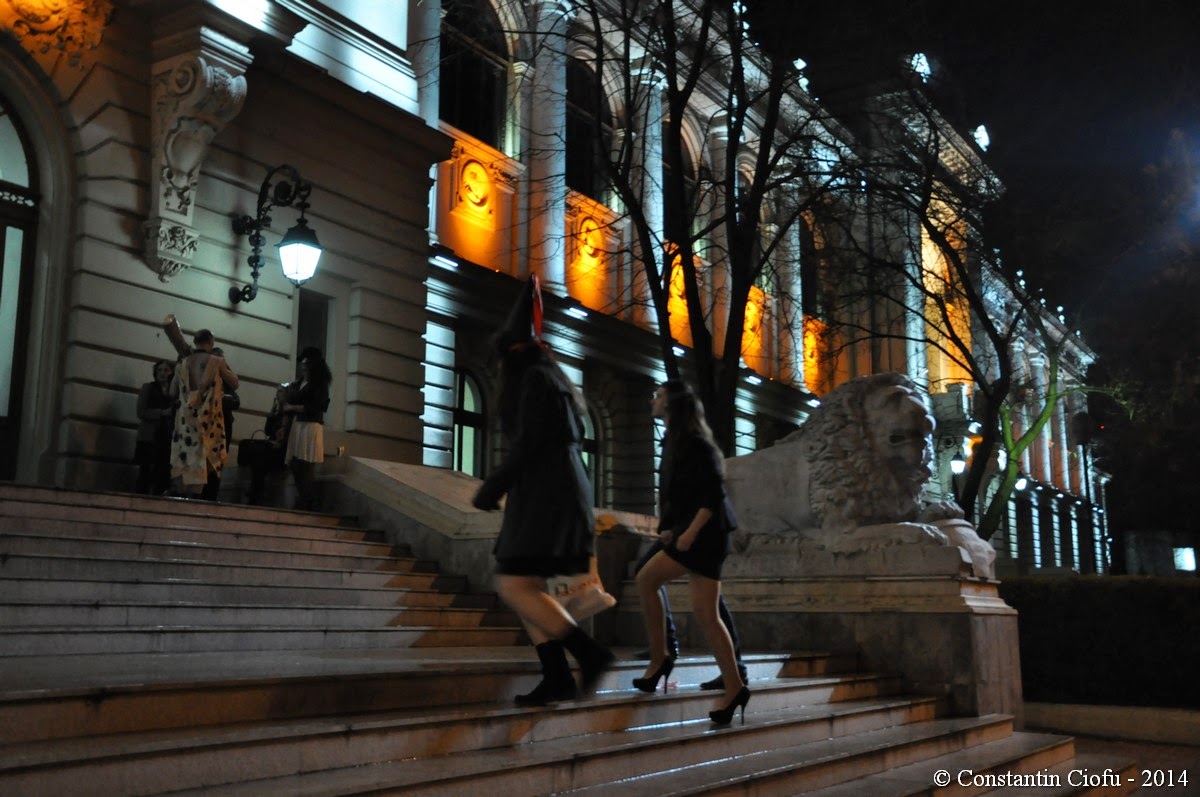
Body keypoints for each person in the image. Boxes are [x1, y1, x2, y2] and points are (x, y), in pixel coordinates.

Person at [472, 275, 614, 706]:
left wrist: (492, 486)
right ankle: (557, 677)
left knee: (514, 585)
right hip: (554, 491)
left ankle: (587, 656)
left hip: (547, 495)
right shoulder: (551, 379)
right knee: (526, 586)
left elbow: (530, 444)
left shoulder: (533, 379)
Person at [635, 379, 748, 724]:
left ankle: (661, 657)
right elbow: (677, 494)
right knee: (707, 614)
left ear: (671, 404)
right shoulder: (674, 441)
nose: (653, 400)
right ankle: (734, 686)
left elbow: (712, 494)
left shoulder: (696, 444)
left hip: (705, 534)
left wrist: (690, 533)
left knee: (647, 579)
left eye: (658, 396)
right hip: (694, 532)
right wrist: (670, 526)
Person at [170, 329, 239, 498]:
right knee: (204, 464)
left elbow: (172, 392)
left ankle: (181, 500)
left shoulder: (183, 363)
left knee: (187, 462)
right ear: (211, 342)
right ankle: (194, 502)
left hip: (186, 421)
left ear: (195, 342)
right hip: (208, 420)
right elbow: (234, 383)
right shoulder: (216, 361)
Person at [280, 347, 331, 510]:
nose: (302, 366)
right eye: (302, 364)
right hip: (299, 425)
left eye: (306, 364)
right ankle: (304, 498)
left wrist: (292, 407)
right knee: (296, 464)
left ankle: (307, 501)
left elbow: (318, 406)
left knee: (306, 465)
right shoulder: (300, 382)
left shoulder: (319, 384)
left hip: (310, 426)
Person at [134, 359, 176, 495]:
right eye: (159, 370)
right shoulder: (148, 388)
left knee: (163, 473)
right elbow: (141, 412)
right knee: (146, 471)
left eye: (166, 370)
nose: (162, 373)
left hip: (166, 437)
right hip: (150, 437)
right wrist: (162, 413)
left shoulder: (174, 392)